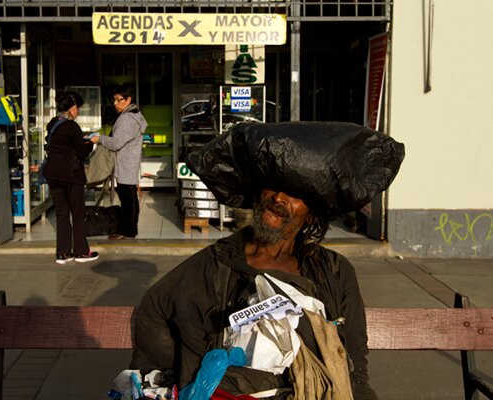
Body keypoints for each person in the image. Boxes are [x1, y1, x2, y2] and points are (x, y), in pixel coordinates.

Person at [127, 122, 405, 399]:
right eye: (272, 186)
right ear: (257, 195)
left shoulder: (334, 272)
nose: (279, 198)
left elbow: (354, 357)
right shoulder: (215, 265)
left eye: (295, 193)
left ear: (310, 214)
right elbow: (157, 313)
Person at [42, 91, 99, 264]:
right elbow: (81, 152)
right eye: (78, 108)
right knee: (78, 213)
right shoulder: (72, 127)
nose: (78, 112)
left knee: (61, 213)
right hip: (70, 175)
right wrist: (91, 142)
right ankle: (81, 252)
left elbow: (60, 143)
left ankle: (63, 253)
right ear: (73, 108)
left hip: (53, 174)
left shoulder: (53, 123)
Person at [91, 84, 147, 240]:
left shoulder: (128, 119)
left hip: (125, 164)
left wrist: (100, 138)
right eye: (113, 100)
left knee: (128, 198)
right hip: (128, 162)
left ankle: (128, 230)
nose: (115, 103)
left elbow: (116, 143)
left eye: (118, 100)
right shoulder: (134, 115)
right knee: (129, 197)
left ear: (128, 100)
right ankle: (129, 228)